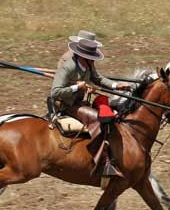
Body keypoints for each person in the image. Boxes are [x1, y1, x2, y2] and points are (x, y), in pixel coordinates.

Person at [50, 37, 131, 177]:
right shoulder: (68, 67)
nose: (93, 60)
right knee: (100, 119)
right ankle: (103, 161)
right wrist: (77, 87)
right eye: (91, 57)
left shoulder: (88, 65)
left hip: (78, 103)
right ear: (82, 56)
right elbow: (55, 92)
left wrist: (116, 85)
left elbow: (98, 79)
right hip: (65, 105)